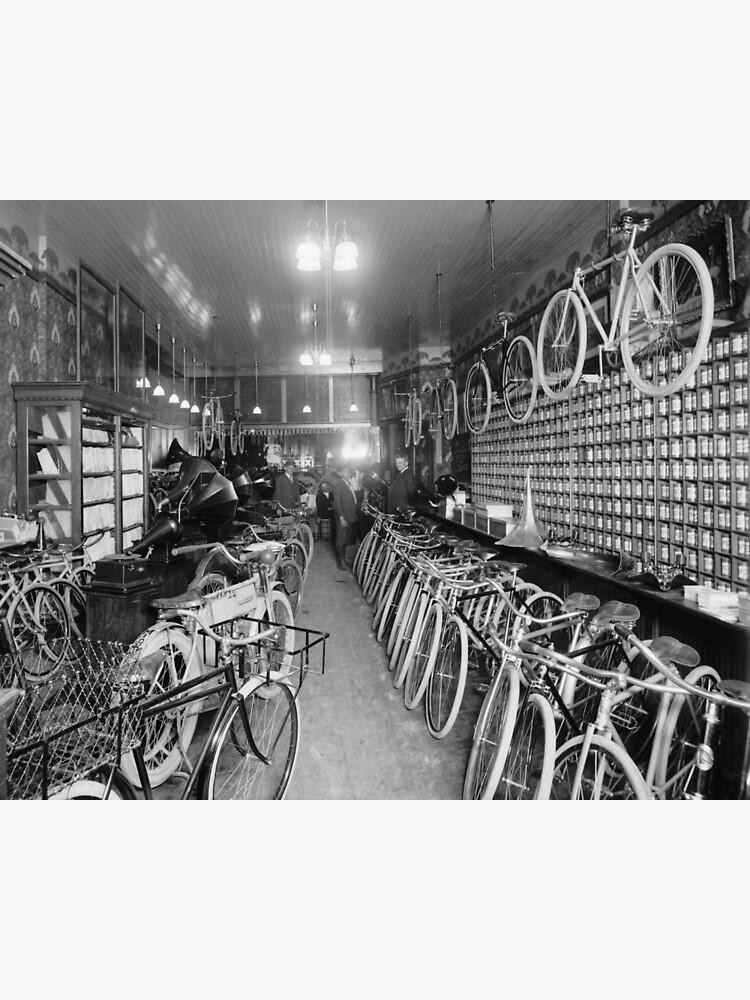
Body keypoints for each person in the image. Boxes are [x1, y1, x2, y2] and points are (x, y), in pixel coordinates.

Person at [332, 470, 357, 571]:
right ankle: (341, 562)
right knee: (341, 539)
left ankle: (343, 559)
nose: (348, 474)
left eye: (349, 472)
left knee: (346, 539)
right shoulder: (339, 485)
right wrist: (341, 517)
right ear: (341, 473)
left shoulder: (348, 484)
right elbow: (337, 503)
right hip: (343, 517)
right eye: (346, 472)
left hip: (349, 516)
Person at [315, 479, 336, 545]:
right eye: (323, 486)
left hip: (333, 512)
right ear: (321, 488)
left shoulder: (332, 494)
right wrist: (328, 508)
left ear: (328, 487)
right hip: (324, 513)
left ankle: (334, 536)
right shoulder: (319, 496)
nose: (324, 488)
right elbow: (319, 507)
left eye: (325, 486)